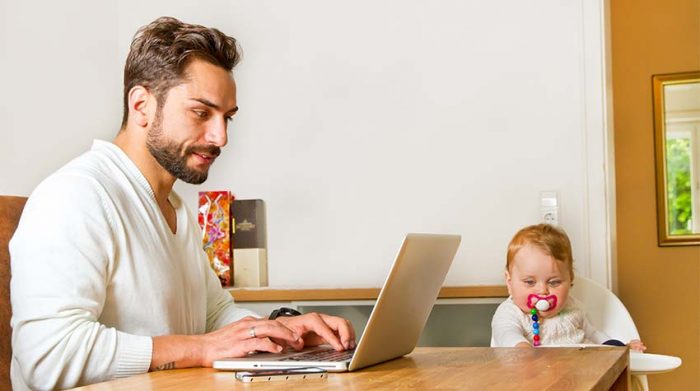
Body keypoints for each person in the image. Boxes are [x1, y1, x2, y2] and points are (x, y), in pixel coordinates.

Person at [9, 16, 355, 390]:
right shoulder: (74, 196)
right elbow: (49, 358)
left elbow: (214, 315)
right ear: (141, 105)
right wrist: (199, 349)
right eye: (201, 113)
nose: (220, 137)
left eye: (227, 118)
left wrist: (280, 330)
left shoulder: (172, 207)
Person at [491, 224, 645, 350]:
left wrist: (615, 348)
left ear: (570, 280)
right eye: (530, 282)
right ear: (509, 282)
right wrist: (523, 349)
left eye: (554, 282)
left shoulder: (572, 307)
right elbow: (506, 335)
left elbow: (593, 333)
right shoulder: (510, 313)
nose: (542, 291)